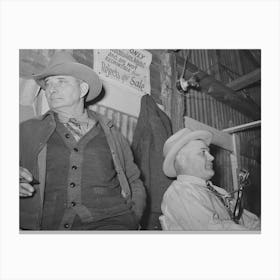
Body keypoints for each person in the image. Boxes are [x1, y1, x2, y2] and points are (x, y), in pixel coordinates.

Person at [19, 51, 146, 230]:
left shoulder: (110, 131)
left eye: (61, 81)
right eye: (48, 84)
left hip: (114, 224)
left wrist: (134, 218)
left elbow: (134, 179)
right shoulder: (26, 130)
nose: (51, 89)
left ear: (83, 89)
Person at [159, 128, 260, 231]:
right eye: (203, 152)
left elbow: (250, 221)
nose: (212, 157)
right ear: (182, 160)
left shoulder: (219, 192)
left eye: (209, 152)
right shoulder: (180, 193)